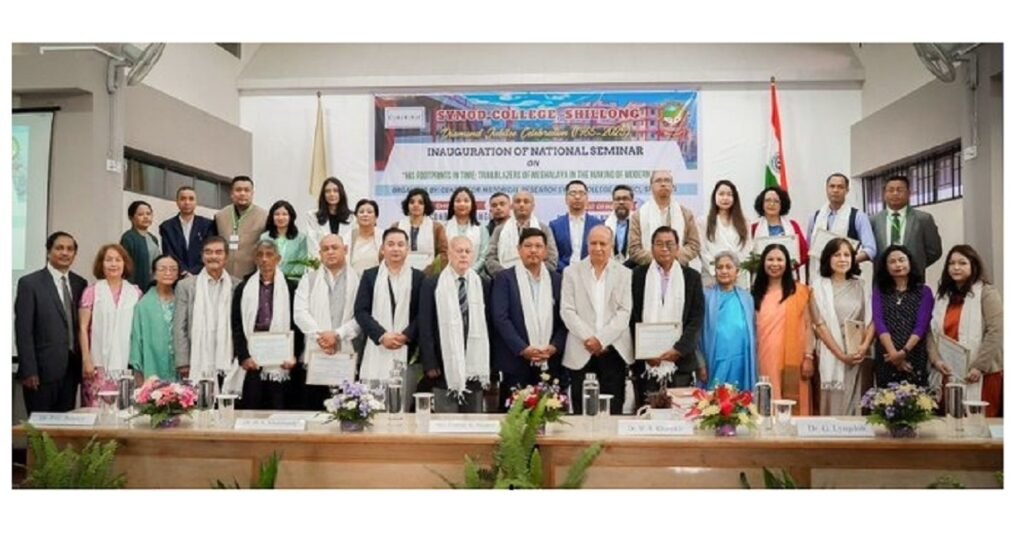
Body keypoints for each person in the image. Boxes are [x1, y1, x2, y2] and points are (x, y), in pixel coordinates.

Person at [561, 226, 633, 414]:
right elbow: (567, 311)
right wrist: (589, 339)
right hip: (581, 348)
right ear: (587, 245)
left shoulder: (624, 273)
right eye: (593, 243)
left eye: (603, 243)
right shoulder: (571, 272)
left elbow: (624, 312)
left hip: (613, 349)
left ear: (611, 246)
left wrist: (601, 340)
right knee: (581, 408)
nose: (598, 248)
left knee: (613, 408)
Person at [491, 228, 568, 404]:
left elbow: (565, 319)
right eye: (528, 246)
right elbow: (500, 318)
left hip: (550, 362)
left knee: (550, 415)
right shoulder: (504, 279)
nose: (533, 250)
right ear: (519, 250)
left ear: (545, 251)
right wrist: (522, 348)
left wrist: (554, 347)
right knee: (515, 417)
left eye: (538, 246)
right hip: (516, 362)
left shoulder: (557, 280)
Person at [15, 232, 88, 414]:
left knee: (65, 427)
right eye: (59, 248)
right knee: (39, 428)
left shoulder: (80, 283)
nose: (65, 253)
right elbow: (23, 331)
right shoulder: (30, 283)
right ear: (48, 252)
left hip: (71, 371)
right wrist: (29, 370)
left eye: (70, 249)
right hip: (41, 373)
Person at [629, 226, 705, 399]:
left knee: (679, 411)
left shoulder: (691, 277)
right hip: (646, 363)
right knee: (647, 410)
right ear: (651, 248)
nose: (664, 248)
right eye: (659, 244)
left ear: (677, 248)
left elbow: (696, 318)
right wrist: (645, 351)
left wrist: (678, 349)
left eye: (670, 244)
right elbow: (632, 317)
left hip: (680, 361)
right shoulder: (637, 275)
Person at [927, 245, 1002, 417]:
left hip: (980, 372)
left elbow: (996, 332)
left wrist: (979, 367)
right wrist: (936, 360)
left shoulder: (987, 292)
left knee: (979, 423)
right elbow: (931, 331)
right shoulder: (943, 296)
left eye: (962, 263)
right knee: (950, 421)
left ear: (973, 266)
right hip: (948, 370)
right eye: (951, 263)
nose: (956, 267)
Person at [418, 236, 491, 413]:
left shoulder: (483, 283)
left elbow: (490, 325)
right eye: (459, 251)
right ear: (449, 254)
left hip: (474, 363)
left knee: (473, 421)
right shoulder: (432, 283)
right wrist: (430, 362)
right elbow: (425, 325)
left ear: (473, 255)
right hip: (443, 363)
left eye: (467, 251)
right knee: (444, 421)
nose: (463, 255)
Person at [231, 240, 305, 410]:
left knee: (278, 406)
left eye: (269, 255)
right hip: (252, 355)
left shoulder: (291, 288)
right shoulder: (243, 288)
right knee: (252, 406)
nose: (264, 259)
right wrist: (244, 356)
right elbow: (236, 324)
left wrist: (293, 354)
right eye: (260, 255)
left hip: (282, 359)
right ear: (255, 259)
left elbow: (298, 325)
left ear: (278, 259)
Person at [294, 235, 362, 410]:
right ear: (320, 254)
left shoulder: (359, 280)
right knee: (314, 412)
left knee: (348, 413)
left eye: (334, 247)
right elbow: (300, 313)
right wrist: (321, 337)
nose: (330, 252)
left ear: (345, 250)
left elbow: (362, 315)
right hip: (316, 357)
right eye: (325, 249)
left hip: (347, 355)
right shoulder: (308, 279)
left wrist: (337, 335)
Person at [809, 238, 876, 416]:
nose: (842, 259)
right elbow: (819, 325)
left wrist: (864, 347)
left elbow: (872, 320)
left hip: (858, 354)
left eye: (847, 255)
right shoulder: (818, 287)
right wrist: (840, 354)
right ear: (828, 258)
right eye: (837, 255)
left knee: (857, 404)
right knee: (833, 406)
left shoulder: (861, 285)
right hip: (831, 352)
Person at [871, 245, 949, 388]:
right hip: (886, 355)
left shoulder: (924, 291)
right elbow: (879, 323)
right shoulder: (880, 291)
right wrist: (894, 355)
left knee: (916, 398)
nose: (897, 265)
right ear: (886, 267)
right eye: (892, 261)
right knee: (884, 398)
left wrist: (904, 352)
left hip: (914, 354)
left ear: (909, 262)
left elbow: (921, 326)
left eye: (901, 260)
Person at [354, 228, 426, 383]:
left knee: (404, 395)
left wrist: (406, 335)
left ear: (407, 249)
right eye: (390, 244)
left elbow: (423, 313)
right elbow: (361, 311)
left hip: (407, 347)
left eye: (400, 244)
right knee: (374, 395)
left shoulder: (419, 277)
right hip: (376, 346)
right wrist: (381, 335)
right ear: (382, 249)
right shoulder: (370, 276)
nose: (395, 249)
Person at [751, 244, 814, 416]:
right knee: (767, 401)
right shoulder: (754, 293)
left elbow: (809, 326)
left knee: (793, 406)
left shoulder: (799, 291)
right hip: (764, 358)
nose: (775, 264)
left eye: (779, 259)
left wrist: (808, 356)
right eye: (770, 259)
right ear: (763, 263)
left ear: (787, 264)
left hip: (794, 359)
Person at [173, 236, 242, 388]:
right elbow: (180, 327)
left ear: (226, 257)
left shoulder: (237, 285)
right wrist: (183, 362)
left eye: (218, 252)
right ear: (202, 256)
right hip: (196, 357)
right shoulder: (186, 286)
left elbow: (240, 326)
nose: (213, 256)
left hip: (228, 357)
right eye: (208, 252)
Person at [79, 244, 143, 407]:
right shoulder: (92, 291)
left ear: (125, 264)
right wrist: (86, 359)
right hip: (97, 365)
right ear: (101, 264)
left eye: (118, 260)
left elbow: (139, 331)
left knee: (124, 411)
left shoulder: (135, 293)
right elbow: (83, 328)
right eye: (108, 260)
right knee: (96, 412)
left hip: (126, 365)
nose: (113, 264)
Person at [700, 251, 757, 391]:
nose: (724, 271)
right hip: (715, 359)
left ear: (737, 271)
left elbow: (753, 332)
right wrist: (700, 364)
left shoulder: (747, 298)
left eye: (728, 267)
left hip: (741, 360)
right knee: (715, 399)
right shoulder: (706, 298)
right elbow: (698, 334)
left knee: (741, 398)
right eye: (720, 267)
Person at [806, 173, 877, 283]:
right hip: (818, 278)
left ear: (847, 190)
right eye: (832, 186)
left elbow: (870, 250)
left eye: (840, 187)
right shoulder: (815, 217)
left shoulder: (857, 216)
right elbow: (810, 248)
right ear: (826, 189)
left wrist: (846, 261)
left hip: (847, 278)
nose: (835, 190)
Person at [869, 175, 942, 278]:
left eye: (900, 190)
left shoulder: (924, 219)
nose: (895, 193)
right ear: (884, 194)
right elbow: (869, 250)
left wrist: (914, 266)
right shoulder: (873, 220)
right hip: (882, 278)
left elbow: (934, 251)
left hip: (913, 278)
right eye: (891, 190)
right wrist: (885, 266)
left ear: (908, 193)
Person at [627, 169, 701, 267]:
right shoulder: (639, 215)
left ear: (673, 186)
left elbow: (694, 245)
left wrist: (674, 257)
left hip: (679, 268)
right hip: (647, 269)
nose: (663, 184)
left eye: (667, 180)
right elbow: (634, 249)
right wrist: (658, 259)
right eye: (658, 181)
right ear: (651, 187)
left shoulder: (685, 214)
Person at [130, 255, 181, 382]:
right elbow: (137, 339)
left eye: (173, 269)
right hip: (153, 363)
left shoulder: (182, 300)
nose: (168, 273)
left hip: (179, 365)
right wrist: (137, 368)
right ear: (154, 274)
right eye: (162, 269)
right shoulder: (144, 304)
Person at [484, 190, 558, 277]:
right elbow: (490, 258)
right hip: (506, 279)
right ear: (512, 206)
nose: (521, 205)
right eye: (518, 201)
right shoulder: (500, 230)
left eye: (526, 201)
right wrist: (506, 276)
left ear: (533, 206)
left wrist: (532, 274)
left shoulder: (543, 229)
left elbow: (552, 259)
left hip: (538, 278)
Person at [699, 179, 751, 288]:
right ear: (714, 197)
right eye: (721, 194)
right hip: (712, 276)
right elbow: (703, 250)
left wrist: (734, 271)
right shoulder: (703, 222)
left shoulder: (745, 222)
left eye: (729, 194)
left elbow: (747, 249)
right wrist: (718, 270)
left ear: (734, 198)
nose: (725, 198)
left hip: (738, 277)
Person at [214, 176, 269, 279]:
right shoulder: (220, 216)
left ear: (252, 193)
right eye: (238, 190)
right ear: (231, 193)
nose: (242, 193)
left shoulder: (264, 217)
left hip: (251, 276)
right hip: (223, 274)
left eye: (246, 190)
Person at [751, 186, 809, 278]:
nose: (771, 204)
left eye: (776, 201)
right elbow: (749, 257)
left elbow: (804, 253)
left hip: (789, 275)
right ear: (762, 203)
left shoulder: (793, 226)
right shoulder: (753, 228)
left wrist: (789, 265)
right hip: (762, 277)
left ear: (782, 204)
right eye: (768, 200)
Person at [159, 185, 217, 276]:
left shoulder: (207, 225)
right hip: (177, 275)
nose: (187, 202)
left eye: (191, 199)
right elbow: (169, 253)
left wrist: (193, 272)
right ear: (177, 202)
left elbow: (209, 252)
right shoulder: (167, 227)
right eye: (183, 199)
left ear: (196, 202)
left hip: (202, 275)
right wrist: (183, 271)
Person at [549, 180, 604, 272]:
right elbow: (552, 255)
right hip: (563, 273)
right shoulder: (555, 225)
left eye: (581, 193)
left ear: (587, 198)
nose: (577, 197)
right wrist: (565, 270)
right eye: (573, 193)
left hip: (590, 273)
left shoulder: (598, 224)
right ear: (566, 199)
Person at [393, 188, 447, 275]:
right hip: (400, 273)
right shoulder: (396, 227)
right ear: (407, 205)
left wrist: (429, 272)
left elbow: (444, 254)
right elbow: (388, 251)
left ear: (426, 206)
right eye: (412, 202)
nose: (416, 205)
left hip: (429, 275)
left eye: (420, 202)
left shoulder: (437, 228)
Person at [444, 186, 489, 274]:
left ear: (472, 205)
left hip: (476, 275)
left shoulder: (481, 229)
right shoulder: (444, 227)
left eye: (466, 201)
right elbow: (442, 254)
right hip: (448, 274)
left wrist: (471, 272)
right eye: (458, 201)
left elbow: (484, 256)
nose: (462, 204)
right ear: (452, 205)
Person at [305, 177, 353, 258]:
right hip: (321, 261)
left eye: (335, 191)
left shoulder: (352, 217)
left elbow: (351, 244)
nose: (332, 194)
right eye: (328, 191)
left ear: (341, 193)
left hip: (345, 261)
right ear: (323, 195)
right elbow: (312, 243)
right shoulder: (312, 216)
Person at [260, 200, 308, 280]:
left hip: (293, 281)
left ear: (291, 217)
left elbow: (301, 264)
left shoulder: (301, 238)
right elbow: (262, 261)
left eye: (284, 214)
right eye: (277, 214)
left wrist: (285, 279)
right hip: (270, 280)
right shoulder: (264, 237)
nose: (280, 218)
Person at [120, 200, 162, 288]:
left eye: (148, 214)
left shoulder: (153, 238)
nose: (145, 217)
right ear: (131, 218)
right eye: (140, 214)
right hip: (136, 286)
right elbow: (125, 267)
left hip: (153, 286)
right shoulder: (128, 238)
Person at [349, 199, 384, 274]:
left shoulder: (384, 236)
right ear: (356, 217)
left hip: (378, 278)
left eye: (369, 212)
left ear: (376, 217)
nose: (365, 215)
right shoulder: (348, 238)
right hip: (353, 279)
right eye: (361, 212)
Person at [605, 184, 635, 267]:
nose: (621, 202)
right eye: (617, 199)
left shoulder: (639, 223)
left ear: (632, 202)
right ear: (613, 202)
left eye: (625, 199)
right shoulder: (604, 224)